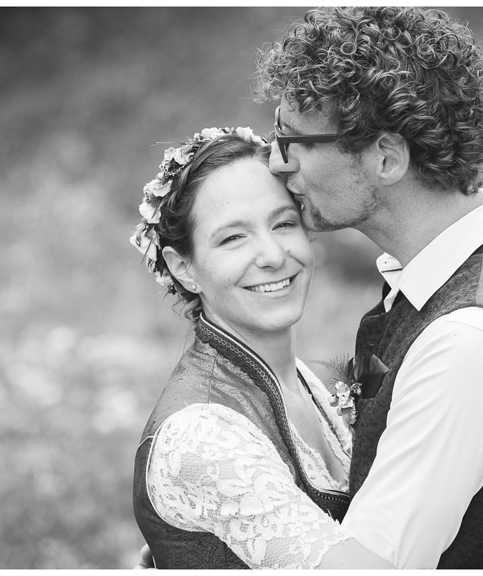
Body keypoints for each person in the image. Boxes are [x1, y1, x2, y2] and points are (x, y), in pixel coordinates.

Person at [248, 6, 483, 568]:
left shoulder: (468, 345)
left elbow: (370, 564)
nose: (277, 163)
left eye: (293, 141)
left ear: (385, 156)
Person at [130, 127, 392, 569]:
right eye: (233, 237)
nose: (272, 254)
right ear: (183, 268)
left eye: (284, 223)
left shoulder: (312, 380)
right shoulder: (201, 435)